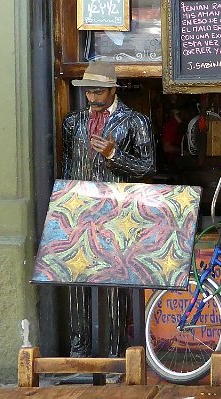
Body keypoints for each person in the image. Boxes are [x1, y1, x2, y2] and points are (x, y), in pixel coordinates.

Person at [62, 61, 155, 360]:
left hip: (117, 215)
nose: (93, 97)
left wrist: (114, 155)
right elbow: (67, 168)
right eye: (88, 92)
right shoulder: (72, 123)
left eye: (99, 91)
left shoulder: (135, 122)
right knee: (76, 281)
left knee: (115, 286)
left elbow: (147, 167)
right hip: (78, 213)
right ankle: (79, 355)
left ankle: (116, 356)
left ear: (114, 89)